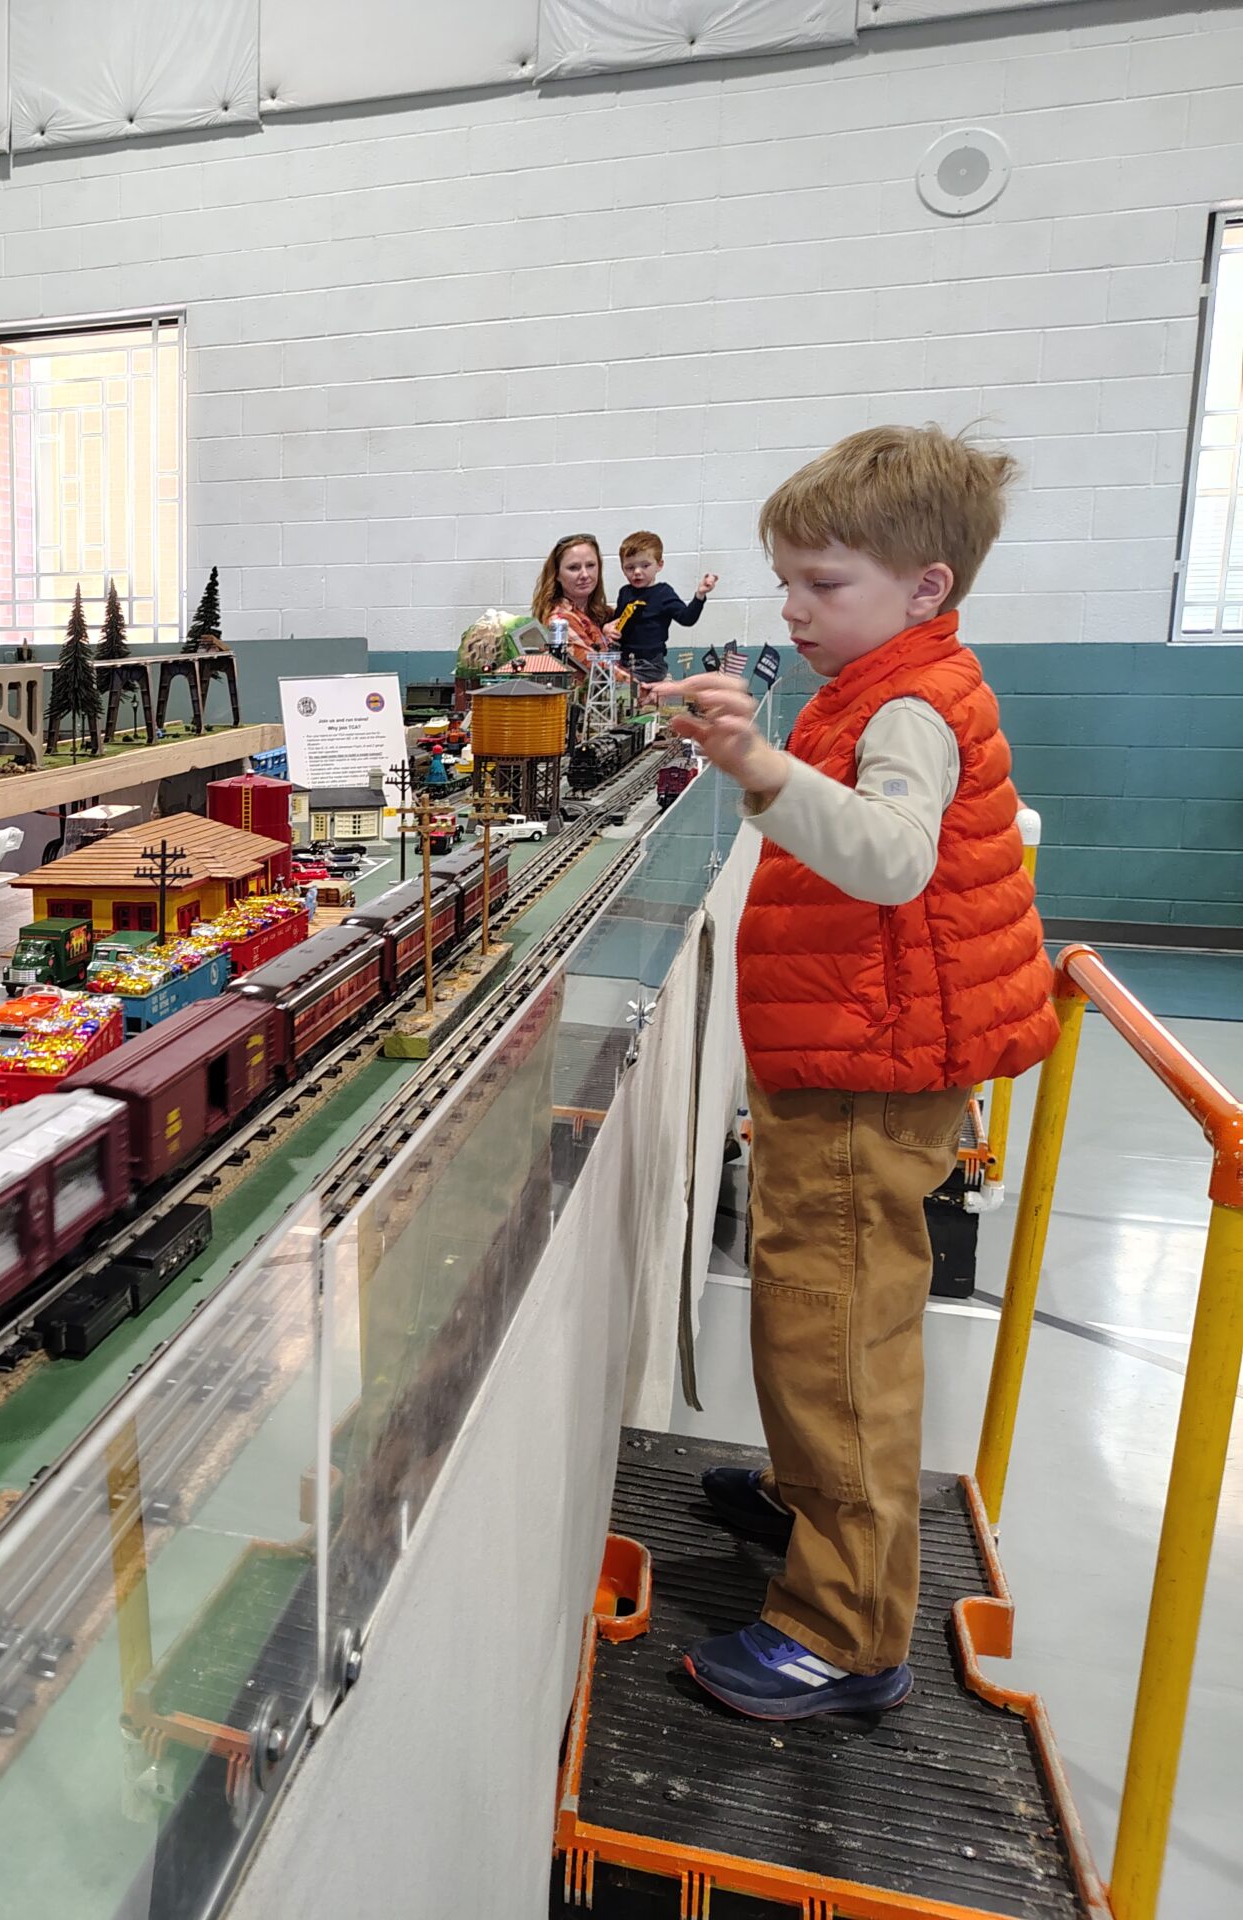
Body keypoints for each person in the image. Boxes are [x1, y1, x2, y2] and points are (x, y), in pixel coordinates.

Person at [658, 425, 1056, 1721]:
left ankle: (843, 1630)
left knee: (835, 1337)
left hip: (867, 1074)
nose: (792, 606)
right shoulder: (882, 681)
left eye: (823, 583)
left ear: (924, 587)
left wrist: (757, 765)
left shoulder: (906, 704)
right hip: (849, 1053)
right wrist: (765, 749)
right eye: (786, 580)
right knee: (810, 1311)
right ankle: (806, 1500)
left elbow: (892, 858)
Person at [610, 531, 717, 684]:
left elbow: (686, 618)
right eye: (630, 567)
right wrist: (608, 628)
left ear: (659, 565)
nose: (637, 572)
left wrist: (700, 595)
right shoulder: (625, 592)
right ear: (622, 568)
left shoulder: (663, 593)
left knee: (624, 684)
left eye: (645, 566)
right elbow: (617, 624)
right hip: (624, 660)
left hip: (651, 664)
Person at [530, 532, 612, 651]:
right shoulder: (560, 622)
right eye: (573, 568)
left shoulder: (602, 614)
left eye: (590, 565)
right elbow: (591, 662)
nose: (585, 575)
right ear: (557, 574)